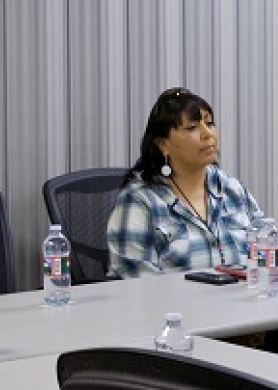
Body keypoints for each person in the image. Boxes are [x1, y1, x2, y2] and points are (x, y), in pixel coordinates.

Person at [107, 87, 261, 278]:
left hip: (241, 304)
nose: (207, 134)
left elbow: (267, 254)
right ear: (163, 144)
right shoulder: (140, 200)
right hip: (172, 307)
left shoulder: (232, 189)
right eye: (192, 127)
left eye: (210, 123)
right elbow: (138, 286)